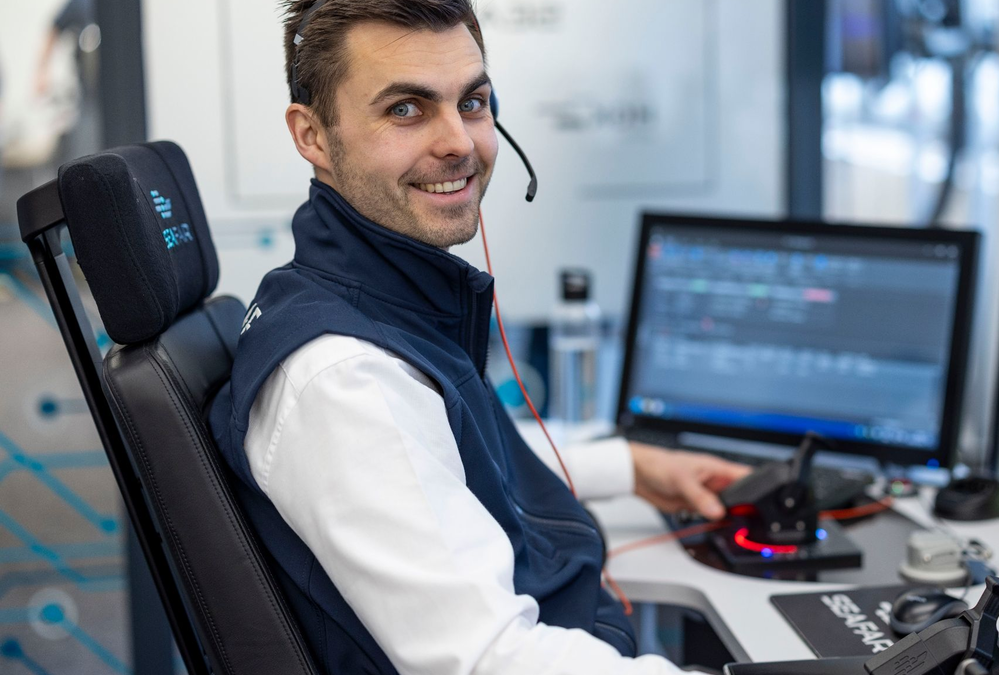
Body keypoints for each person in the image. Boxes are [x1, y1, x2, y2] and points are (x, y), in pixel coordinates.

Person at [207, 2, 751, 674]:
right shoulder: (344, 378)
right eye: (406, 109)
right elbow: (491, 660)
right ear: (312, 135)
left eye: (472, 101)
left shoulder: (370, 299)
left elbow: (449, 468)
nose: (459, 142)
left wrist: (634, 468)